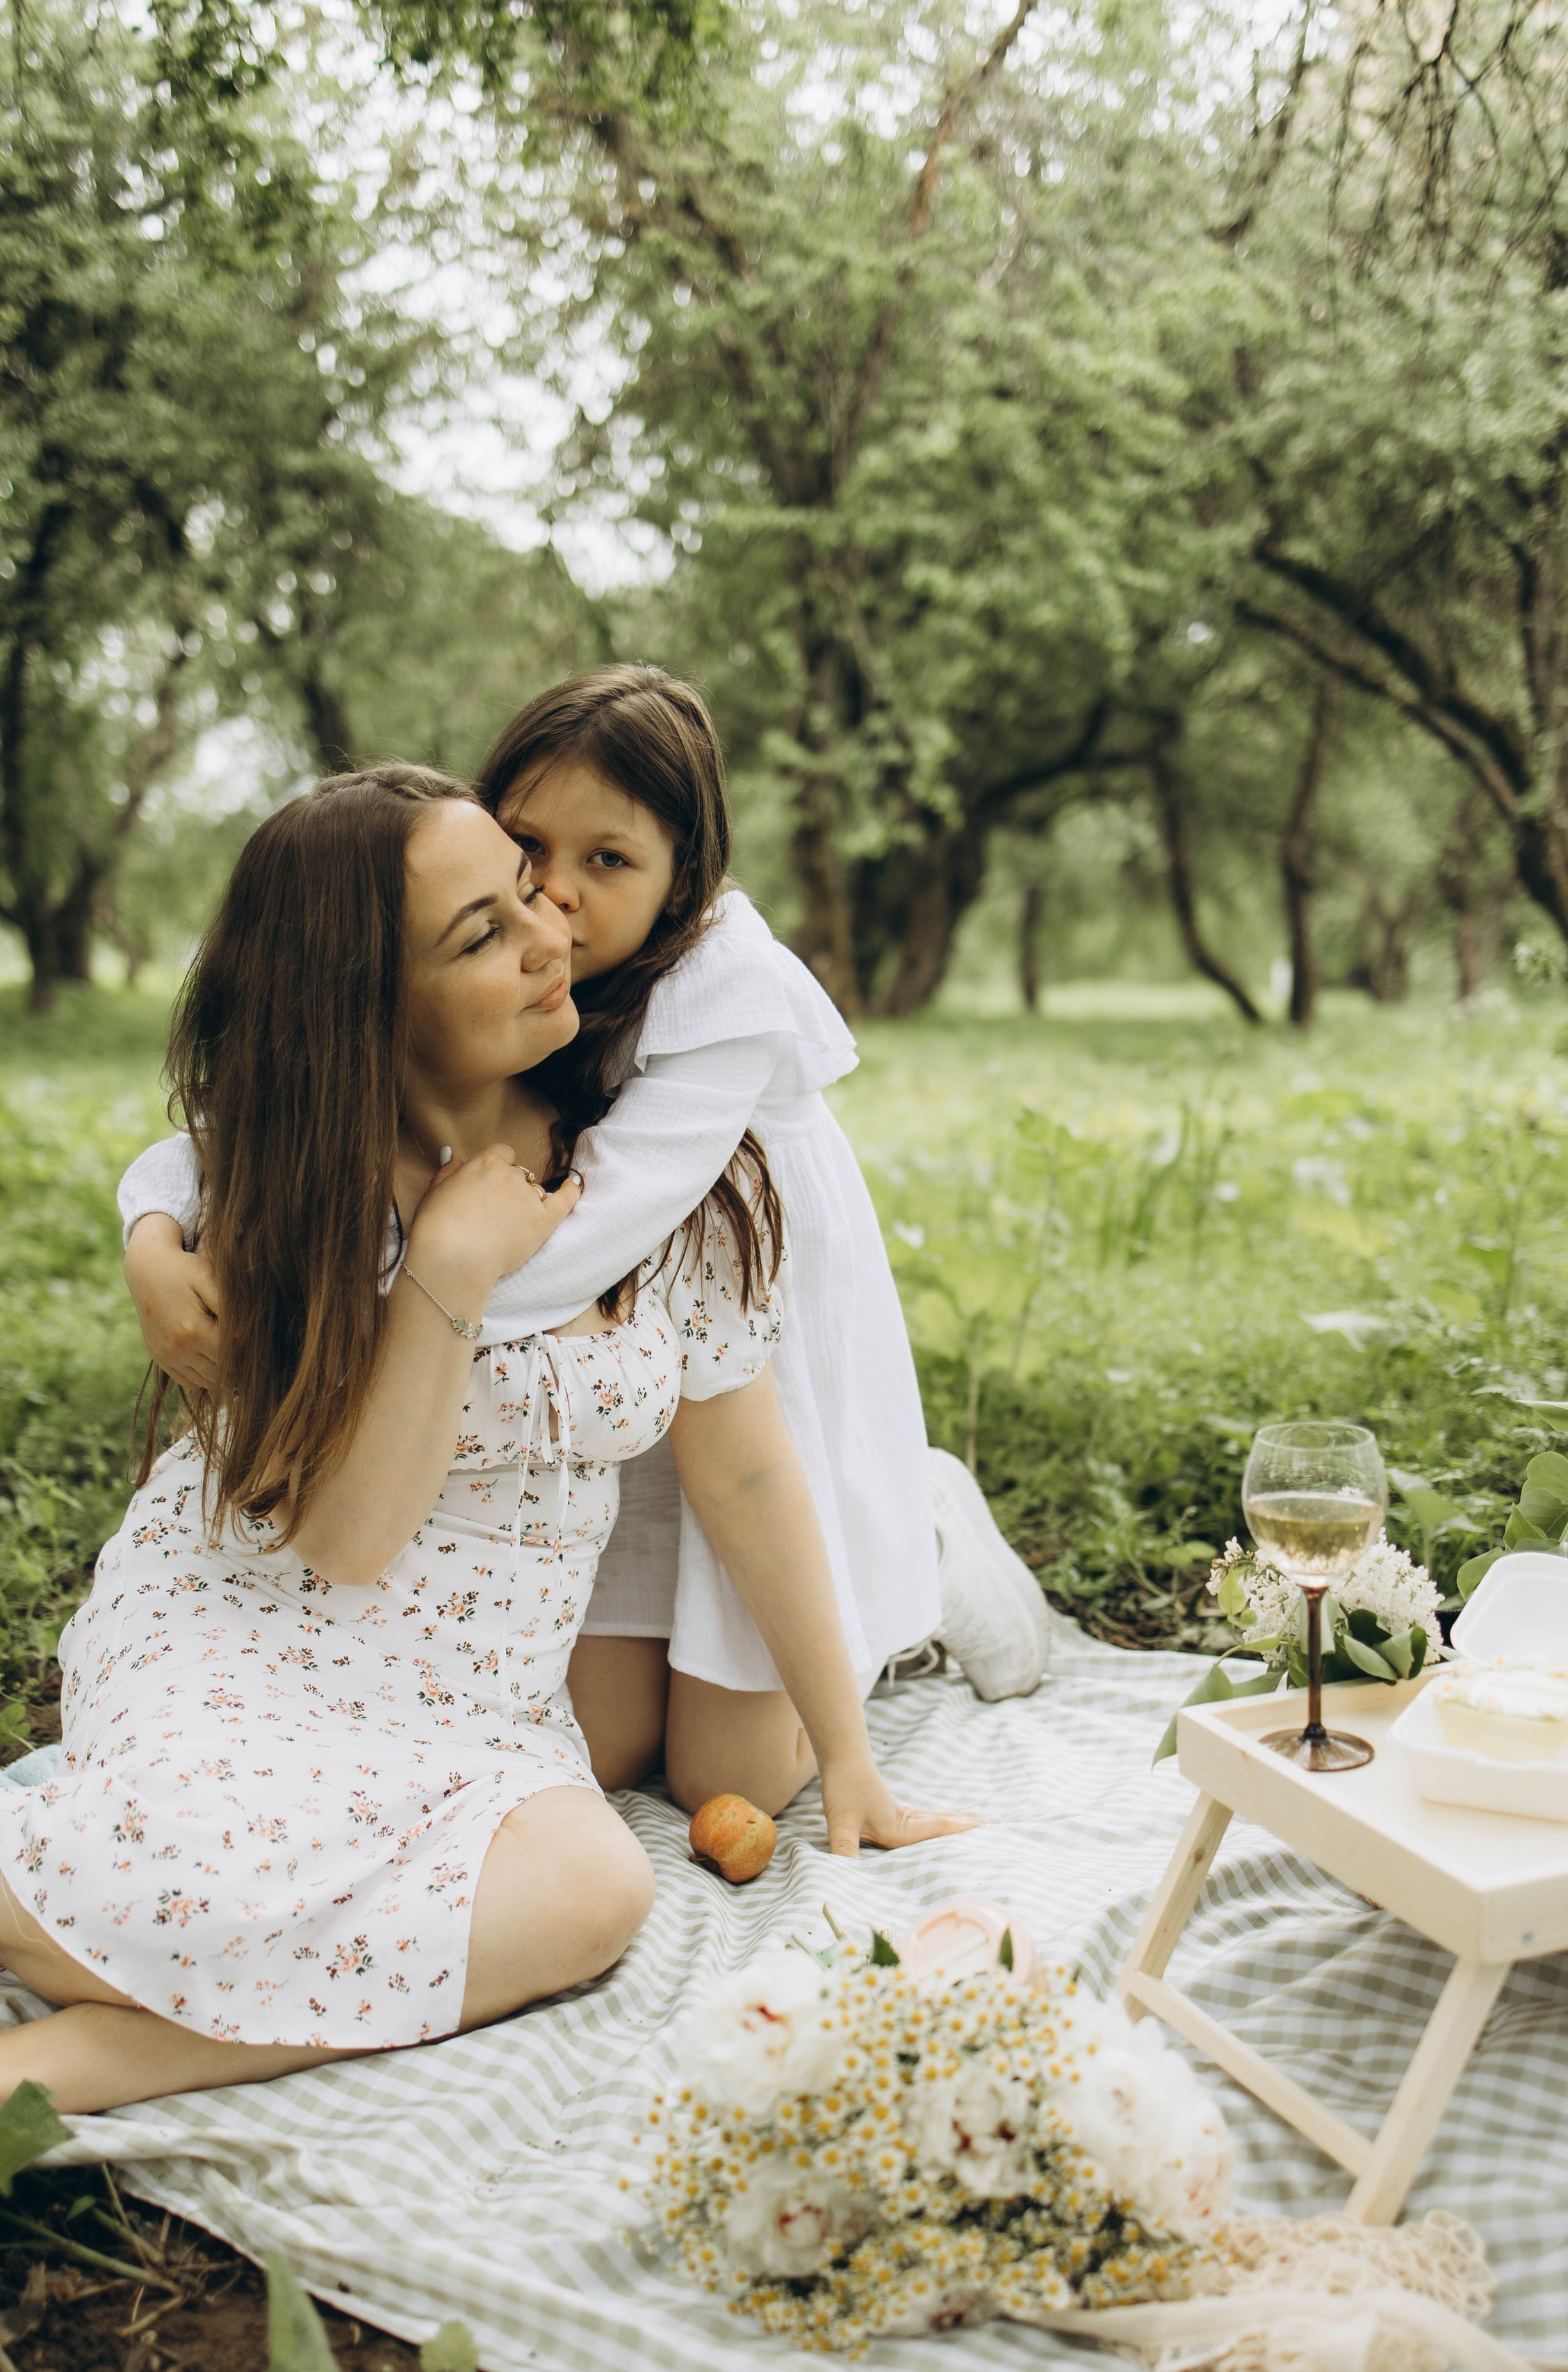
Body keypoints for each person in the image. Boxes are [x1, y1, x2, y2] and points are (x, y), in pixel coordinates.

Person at [0, 765, 974, 2134]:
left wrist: (850, 1762)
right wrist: (447, 1275)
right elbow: (347, 1540)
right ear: (370, 1004)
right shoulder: (302, 1195)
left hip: (476, 1697)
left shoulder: (661, 1175)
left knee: (592, 1894)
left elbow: (748, 1470)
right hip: (255, 1634)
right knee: (204, 1863)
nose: (550, 935)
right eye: (480, 934)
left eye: (527, 892)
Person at [121, 669, 1050, 1827]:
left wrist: (854, 1764)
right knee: (601, 1748)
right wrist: (153, 1230)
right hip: (568, 1455)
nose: (553, 909)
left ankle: (919, 1532)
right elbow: (234, 1132)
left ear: (680, 888)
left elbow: (743, 1453)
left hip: (707, 1367)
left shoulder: (682, 1091)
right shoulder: (443, 1073)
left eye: (604, 866)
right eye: (523, 858)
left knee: (738, 1775)